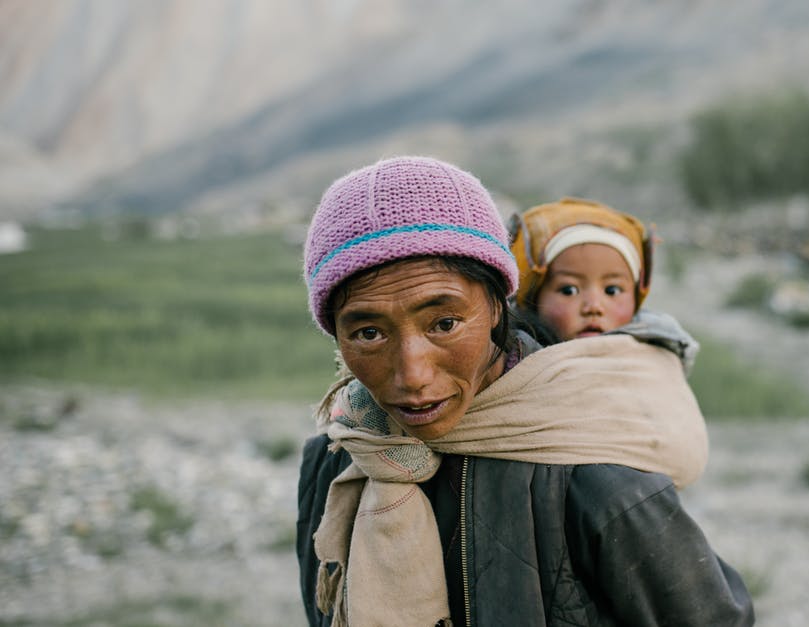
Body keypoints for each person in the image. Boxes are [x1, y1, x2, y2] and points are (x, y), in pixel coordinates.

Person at [296, 156, 754, 626]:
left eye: (445, 323)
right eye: (369, 333)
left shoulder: (598, 480)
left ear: (499, 306)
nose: (412, 376)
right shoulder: (335, 462)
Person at [509, 197, 699, 371]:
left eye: (612, 290)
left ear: (636, 297)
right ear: (532, 297)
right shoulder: (513, 363)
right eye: (569, 290)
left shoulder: (659, 360)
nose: (594, 307)